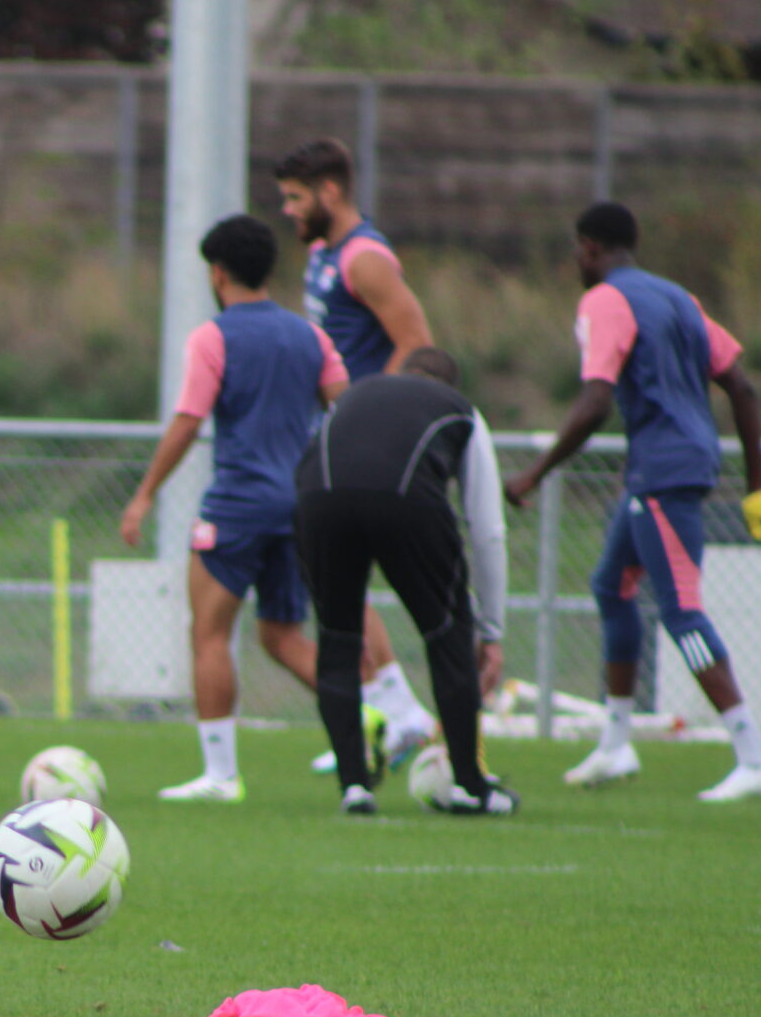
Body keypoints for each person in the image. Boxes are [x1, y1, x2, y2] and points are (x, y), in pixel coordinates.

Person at [506, 202, 761, 803]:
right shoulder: (679, 298)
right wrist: (757, 486)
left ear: (588, 248)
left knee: (682, 612)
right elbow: (741, 385)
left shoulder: (605, 300)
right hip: (671, 469)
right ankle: (615, 743)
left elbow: (594, 402)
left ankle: (755, 754)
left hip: (662, 473)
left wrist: (534, 472)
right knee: (612, 586)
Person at [119, 214, 350, 802]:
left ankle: (221, 775)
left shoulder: (213, 337)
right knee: (284, 637)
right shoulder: (311, 336)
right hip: (300, 506)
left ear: (217, 273)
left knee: (210, 633)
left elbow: (188, 423)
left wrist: (145, 494)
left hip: (238, 505)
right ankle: (365, 720)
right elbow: (346, 411)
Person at [275, 138, 440, 763]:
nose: (289, 210)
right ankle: (394, 713)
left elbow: (417, 341)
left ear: (331, 191)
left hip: (361, 440)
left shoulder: (365, 258)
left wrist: (364, 415)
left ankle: (402, 714)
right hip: (336, 433)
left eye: (295, 198)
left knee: (340, 573)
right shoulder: (322, 253)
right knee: (335, 578)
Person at [296, 347, 515, 816]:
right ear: (448, 386)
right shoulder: (461, 411)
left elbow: (314, 455)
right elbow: (488, 529)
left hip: (319, 499)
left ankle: (354, 786)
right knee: (446, 634)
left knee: (337, 640)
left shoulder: (354, 394)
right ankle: (470, 787)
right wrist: (491, 632)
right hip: (405, 501)